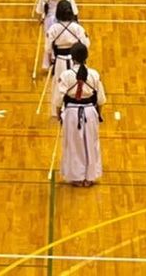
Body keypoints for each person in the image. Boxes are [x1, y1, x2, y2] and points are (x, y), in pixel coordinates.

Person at [52, 43, 106, 187]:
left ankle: (76, 176)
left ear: (73, 57)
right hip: (90, 111)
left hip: (71, 113)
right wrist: (98, 114)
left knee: (74, 144)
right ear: (86, 57)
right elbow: (100, 99)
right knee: (91, 144)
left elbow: (58, 99)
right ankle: (90, 177)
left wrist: (58, 114)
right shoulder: (94, 75)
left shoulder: (66, 75)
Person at [43, 0, 89, 79]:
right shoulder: (77, 28)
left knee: (60, 87)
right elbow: (86, 44)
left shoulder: (53, 29)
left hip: (59, 62)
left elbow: (48, 49)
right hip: (76, 63)